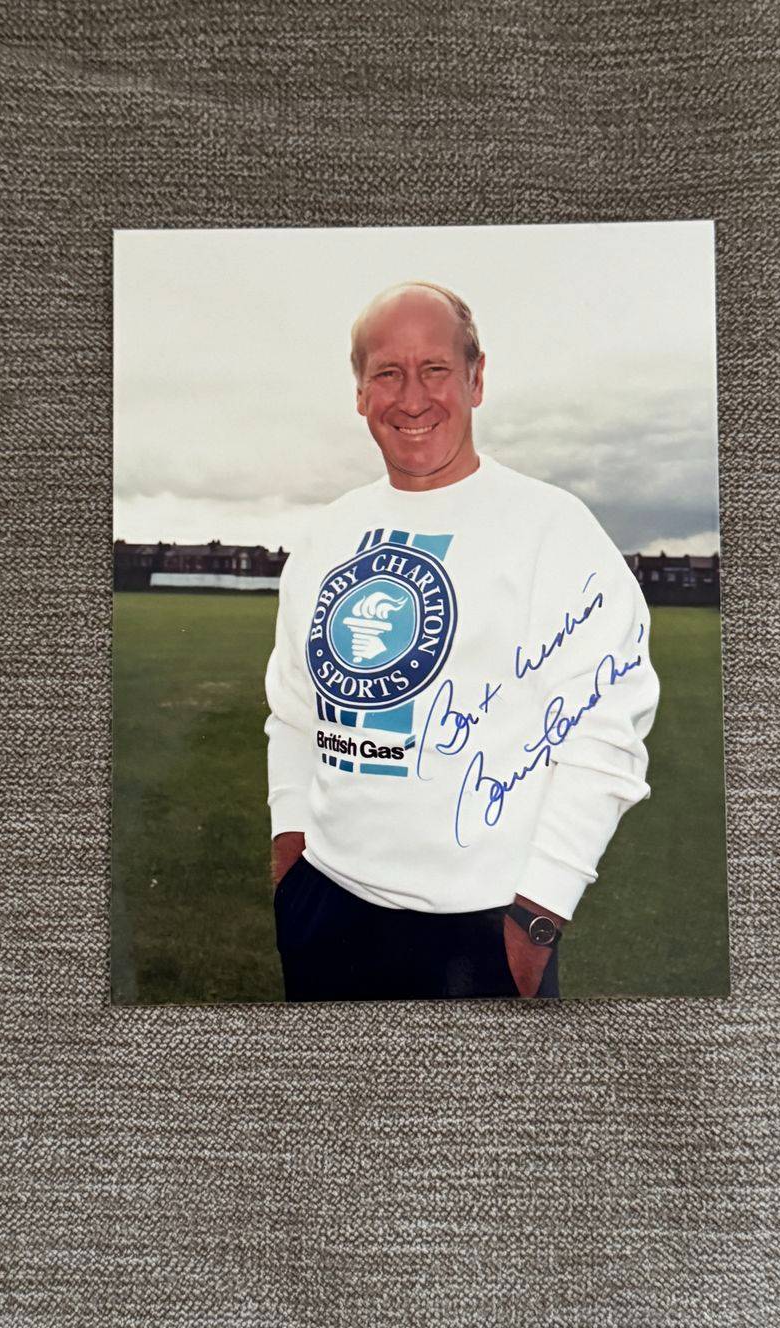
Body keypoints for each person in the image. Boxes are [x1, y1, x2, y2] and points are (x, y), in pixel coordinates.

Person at [264, 280, 659, 1002]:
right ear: (359, 393)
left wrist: (537, 917)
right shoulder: (325, 536)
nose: (412, 397)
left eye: (435, 369)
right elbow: (291, 711)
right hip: (326, 915)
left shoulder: (552, 529)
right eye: (387, 372)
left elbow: (607, 731)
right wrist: (290, 860)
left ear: (477, 378)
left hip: (480, 937)